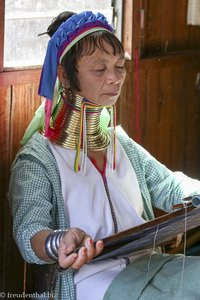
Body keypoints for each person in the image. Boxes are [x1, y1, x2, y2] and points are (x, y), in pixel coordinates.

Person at [9, 10, 200, 300]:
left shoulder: (119, 143)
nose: (114, 78)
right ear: (65, 76)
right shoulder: (39, 158)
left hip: (151, 267)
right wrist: (57, 242)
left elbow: (171, 186)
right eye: (99, 69)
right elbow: (29, 232)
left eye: (119, 66)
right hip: (94, 284)